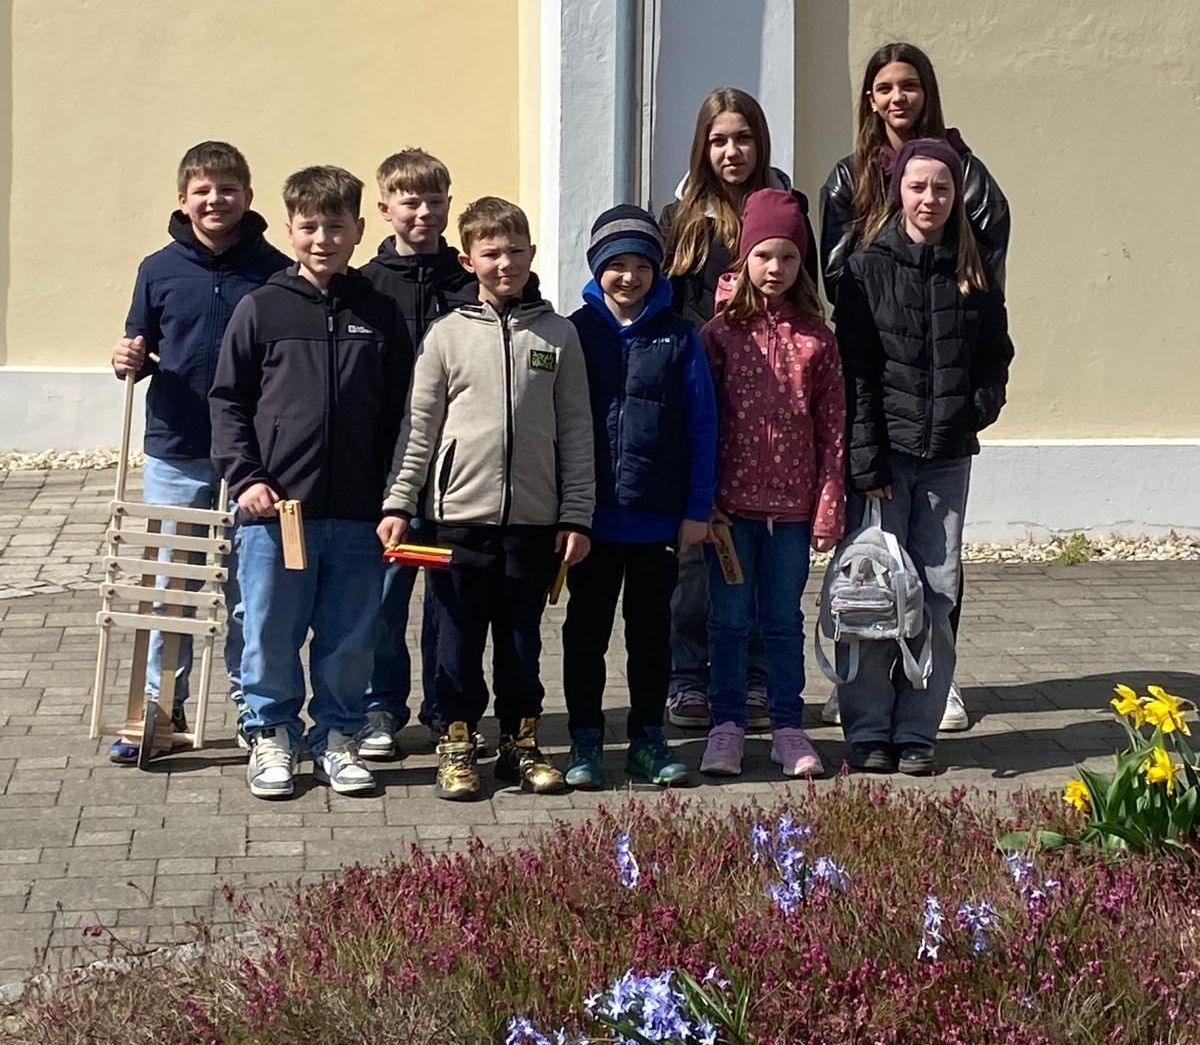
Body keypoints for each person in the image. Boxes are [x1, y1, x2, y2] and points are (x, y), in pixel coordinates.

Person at [819, 42, 1011, 733]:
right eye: (884, 87)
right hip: (885, 390)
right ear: (869, 98)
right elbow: (836, 276)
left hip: (945, 398)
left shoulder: (968, 171)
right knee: (872, 560)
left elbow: (989, 276)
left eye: (909, 86)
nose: (898, 97)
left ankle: (935, 685)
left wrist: (974, 399)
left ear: (926, 93)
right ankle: (865, 696)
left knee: (938, 570)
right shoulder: (847, 179)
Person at [379, 197, 594, 802]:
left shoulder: (558, 335)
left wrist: (576, 513)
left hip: (534, 520)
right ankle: (455, 742)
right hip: (456, 521)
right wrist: (399, 504)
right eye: (491, 253)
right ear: (470, 260)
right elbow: (418, 429)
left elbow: (576, 430)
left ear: (531, 254)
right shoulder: (446, 335)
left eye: (516, 251)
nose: (506, 263)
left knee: (523, 640)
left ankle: (521, 744)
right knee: (456, 638)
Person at [210, 166, 413, 799]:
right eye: (309, 227)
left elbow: (406, 411)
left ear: (358, 229)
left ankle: (337, 736)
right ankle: (270, 734)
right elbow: (228, 401)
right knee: (271, 629)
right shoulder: (262, 307)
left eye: (335, 226)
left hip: (358, 512)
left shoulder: (379, 313)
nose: (322, 238)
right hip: (276, 512)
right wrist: (246, 477)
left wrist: (395, 495)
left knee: (352, 634)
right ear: (291, 228)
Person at [107, 141, 288, 764]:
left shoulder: (275, 270)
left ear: (248, 196)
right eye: (204, 191)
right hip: (177, 448)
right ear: (183, 200)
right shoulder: (158, 268)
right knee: (172, 588)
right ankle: (160, 708)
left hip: (255, 458)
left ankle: (254, 713)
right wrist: (123, 358)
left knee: (253, 594)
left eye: (229, 189)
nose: (217, 200)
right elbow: (139, 345)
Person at [660, 86, 819, 733]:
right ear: (703, 146)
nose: (732, 150)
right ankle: (688, 676)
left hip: (772, 414)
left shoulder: (786, 206)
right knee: (701, 552)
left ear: (761, 143)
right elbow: (667, 317)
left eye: (743, 138)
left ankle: (757, 678)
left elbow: (809, 301)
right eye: (720, 139)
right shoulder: (679, 218)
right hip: (705, 408)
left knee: (765, 554)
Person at [561, 205, 717, 789]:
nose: (628, 278)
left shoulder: (680, 337)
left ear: (658, 271)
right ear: (597, 269)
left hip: (656, 520)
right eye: (616, 266)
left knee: (650, 635)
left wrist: (696, 508)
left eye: (640, 266)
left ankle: (648, 738)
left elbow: (703, 426)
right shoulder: (574, 332)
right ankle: (584, 737)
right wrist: (564, 511)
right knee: (585, 632)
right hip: (592, 519)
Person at [698, 188, 844, 778]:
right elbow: (702, 421)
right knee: (728, 621)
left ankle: (788, 726)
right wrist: (703, 498)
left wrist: (829, 502)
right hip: (730, 512)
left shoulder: (818, 340)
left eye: (786, 257)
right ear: (744, 259)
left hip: (790, 511)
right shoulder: (718, 337)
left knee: (781, 621)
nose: (774, 269)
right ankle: (726, 726)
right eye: (763, 256)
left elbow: (833, 427)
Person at [357, 148, 477, 762]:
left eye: (435, 200)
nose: (425, 212)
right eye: (411, 201)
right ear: (385, 209)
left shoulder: (468, 283)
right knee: (384, 595)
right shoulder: (365, 287)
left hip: (455, 476)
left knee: (448, 598)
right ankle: (381, 704)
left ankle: (444, 708)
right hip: (388, 474)